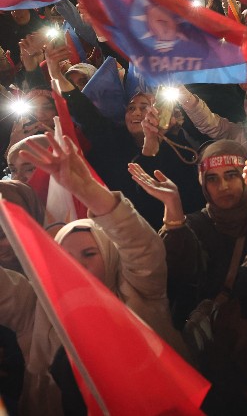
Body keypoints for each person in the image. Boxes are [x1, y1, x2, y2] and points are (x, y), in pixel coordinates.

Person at [1, 130, 185, 414]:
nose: (78, 265)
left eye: (89, 253)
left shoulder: (139, 295)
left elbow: (141, 247)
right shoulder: (38, 308)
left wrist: (86, 190)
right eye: (65, 257)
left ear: (110, 257)